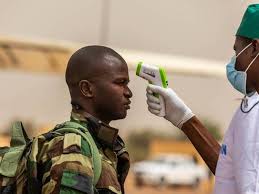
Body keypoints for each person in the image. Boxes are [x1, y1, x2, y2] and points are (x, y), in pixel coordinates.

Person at [145, 4, 259, 194]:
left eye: (237, 51)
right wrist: (185, 120)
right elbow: (230, 175)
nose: (234, 63)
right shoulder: (251, 107)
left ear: (254, 47)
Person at [28, 45, 132, 194]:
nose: (128, 93)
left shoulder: (97, 145)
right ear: (87, 89)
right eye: (120, 83)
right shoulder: (73, 149)